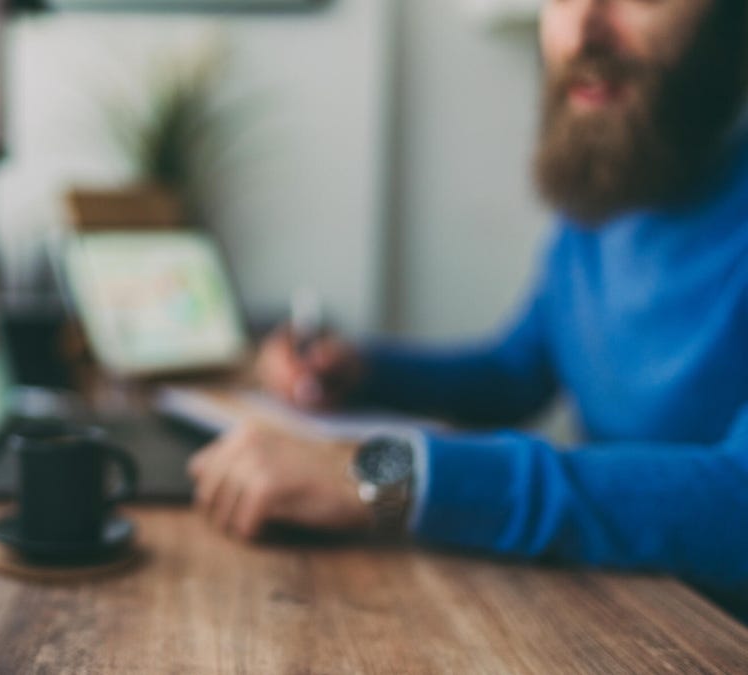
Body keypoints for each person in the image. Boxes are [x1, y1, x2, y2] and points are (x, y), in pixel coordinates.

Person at [188, 0, 748, 615]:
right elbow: (519, 370)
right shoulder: (618, 174)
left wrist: (382, 475)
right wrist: (363, 369)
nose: (582, 30)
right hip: (629, 602)